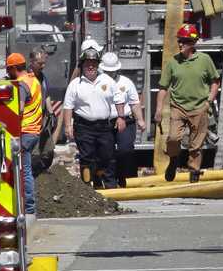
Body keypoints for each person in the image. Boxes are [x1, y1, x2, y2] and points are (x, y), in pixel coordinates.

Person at [154, 24, 220, 183]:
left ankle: (194, 173)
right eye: (179, 41)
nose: (180, 44)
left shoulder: (205, 60)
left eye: (184, 41)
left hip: (199, 108)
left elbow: (215, 82)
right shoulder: (172, 63)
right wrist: (159, 110)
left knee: (196, 145)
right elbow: (163, 88)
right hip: (178, 107)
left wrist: (208, 102)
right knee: (173, 138)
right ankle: (173, 160)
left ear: (193, 43)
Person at [62, 47, 125, 187]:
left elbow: (119, 99)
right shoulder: (75, 85)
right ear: (82, 65)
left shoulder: (107, 80)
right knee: (87, 158)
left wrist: (121, 117)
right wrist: (68, 126)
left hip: (104, 127)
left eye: (94, 63)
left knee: (107, 157)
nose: (91, 66)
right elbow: (68, 106)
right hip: (84, 127)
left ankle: (107, 185)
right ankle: (87, 189)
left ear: (98, 65)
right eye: (87, 63)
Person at [5, 53, 44, 221]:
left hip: (25, 131)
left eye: (9, 69)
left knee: (24, 171)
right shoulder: (34, 80)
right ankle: (28, 206)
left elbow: (18, 109)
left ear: (14, 68)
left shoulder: (22, 85)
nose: (8, 73)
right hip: (34, 131)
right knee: (25, 169)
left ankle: (28, 208)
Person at [101, 51, 147, 186]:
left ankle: (126, 178)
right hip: (105, 122)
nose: (110, 74)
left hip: (126, 120)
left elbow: (134, 102)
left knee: (125, 150)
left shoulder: (126, 82)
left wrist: (140, 120)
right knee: (107, 152)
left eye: (112, 71)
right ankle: (110, 183)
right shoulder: (98, 83)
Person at [29, 49, 63, 174]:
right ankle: (34, 172)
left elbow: (46, 94)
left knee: (48, 149)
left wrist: (51, 113)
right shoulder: (26, 77)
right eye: (39, 63)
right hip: (30, 118)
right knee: (34, 149)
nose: (43, 66)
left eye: (44, 63)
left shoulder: (42, 77)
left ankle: (43, 169)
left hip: (43, 116)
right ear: (31, 62)